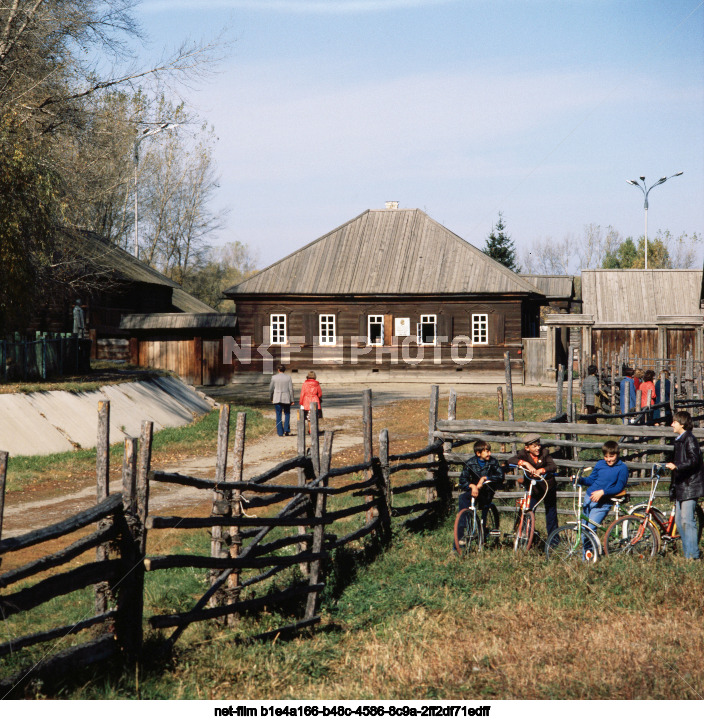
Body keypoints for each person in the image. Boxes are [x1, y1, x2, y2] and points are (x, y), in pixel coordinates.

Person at [665, 411, 704, 560]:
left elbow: (694, 460)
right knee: (680, 523)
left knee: (688, 521)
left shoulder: (690, 439)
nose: (672, 424)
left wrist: (677, 466)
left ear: (682, 423)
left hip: (690, 485)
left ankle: (693, 556)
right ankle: (688, 553)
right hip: (681, 486)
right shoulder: (680, 440)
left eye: (674, 422)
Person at [508, 433, 559, 540]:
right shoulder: (523, 454)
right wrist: (525, 464)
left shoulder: (545, 453)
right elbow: (510, 461)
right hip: (533, 489)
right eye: (534, 446)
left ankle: (553, 540)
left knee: (551, 513)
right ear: (527, 448)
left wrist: (542, 470)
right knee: (528, 510)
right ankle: (527, 537)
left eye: (538, 445)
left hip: (547, 486)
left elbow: (553, 466)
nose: (538, 448)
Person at [456, 440, 505, 548]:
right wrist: (472, 486)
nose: (489, 454)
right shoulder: (470, 463)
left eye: (489, 451)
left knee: (484, 512)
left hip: (486, 492)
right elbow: (462, 479)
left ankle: (483, 532)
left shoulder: (493, 462)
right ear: (478, 453)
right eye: (486, 451)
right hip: (474, 491)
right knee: (463, 498)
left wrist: (485, 478)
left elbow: (500, 476)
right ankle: (460, 538)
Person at [580, 440, 629, 533]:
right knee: (583, 527)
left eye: (611, 456)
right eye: (606, 456)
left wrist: (603, 492)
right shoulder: (600, 464)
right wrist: (580, 479)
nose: (608, 459)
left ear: (617, 454)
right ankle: (587, 548)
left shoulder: (622, 468)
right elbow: (591, 480)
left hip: (603, 503)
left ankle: (591, 547)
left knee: (591, 528)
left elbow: (619, 487)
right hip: (589, 498)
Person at [269, 364, 294, 437]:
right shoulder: (288, 378)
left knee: (278, 414)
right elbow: (291, 389)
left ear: (278, 370)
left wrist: (271, 398)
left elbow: (271, 389)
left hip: (277, 397)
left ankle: (280, 432)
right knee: (287, 413)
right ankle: (286, 429)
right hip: (286, 397)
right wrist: (292, 399)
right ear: (284, 370)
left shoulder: (274, 378)